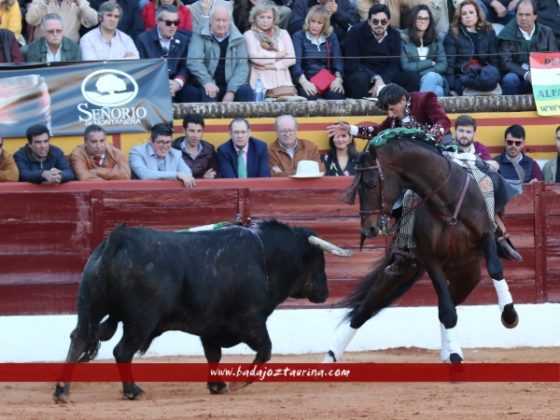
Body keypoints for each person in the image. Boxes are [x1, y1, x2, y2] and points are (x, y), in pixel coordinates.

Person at [327, 83, 452, 274]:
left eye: (392, 109)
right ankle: (402, 249)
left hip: (438, 155)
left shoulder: (426, 99)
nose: (391, 115)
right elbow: (379, 131)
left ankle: (497, 232)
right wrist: (350, 129)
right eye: (388, 111)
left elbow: (443, 122)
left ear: (403, 100)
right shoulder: (394, 117)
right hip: (414, 169)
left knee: (475, 174)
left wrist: (426, 138)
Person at [186, 3, 253, 102]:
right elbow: (194, 62)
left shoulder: (239, 39)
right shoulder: (199, 34)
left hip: (230, 84)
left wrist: (231, 91)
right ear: (210, 20)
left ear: (230, 21)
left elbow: (242, 68)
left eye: (224, 20)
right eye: (217, 20)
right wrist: (207, 81)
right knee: (208, 94)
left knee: (246, 91)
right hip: (207, 82)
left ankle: (242, 118)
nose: (221, 24)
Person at [342, 4, 412, 99]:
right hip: (363, 74)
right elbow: (352, 63)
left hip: (386, 76)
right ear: (369, 21)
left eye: (383, 22)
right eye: (375, 21)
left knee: (412, 78)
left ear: (389, 22)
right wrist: (375, 77)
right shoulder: (355, 32)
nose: (379, 25)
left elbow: (394, 64)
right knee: (360, 78)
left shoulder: (395, 35)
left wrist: (382, 81)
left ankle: (404, 109)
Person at [136, 4, 198, 102]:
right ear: (157, 21)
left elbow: (186, 66)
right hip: (154, 83)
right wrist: (163, 84)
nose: (173, 26)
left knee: (192, 93)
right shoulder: (143, 40)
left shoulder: (184, 39)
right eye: (169, 22)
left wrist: (177, 82)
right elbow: (143, 68)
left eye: (176, 22)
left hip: (176, 83)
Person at [497, 0, 558, 95]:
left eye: (527, 15)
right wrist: (527, 74)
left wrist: (541, 74)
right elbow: (505, 62)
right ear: (515, 15)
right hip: (519, 75)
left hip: (543, 75)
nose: (523, 18)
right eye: (520, 14)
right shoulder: (507, 34)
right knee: (509, 80)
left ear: (535, 16)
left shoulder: (546, 32)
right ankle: (511, 109)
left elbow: (554, 58)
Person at [444, 0, 499, 96]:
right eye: (464, 14)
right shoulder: (453, 33)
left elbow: (494, 59)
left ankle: (479, 82)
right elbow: (450, 63)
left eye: (471, 12)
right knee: (465, 79)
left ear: (477, 14)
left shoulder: (488, 31)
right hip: (463, 73)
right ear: (460, 17)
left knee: (492, 73)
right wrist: (451, 87)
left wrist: (496, 76)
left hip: (485, 73)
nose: (468, 16)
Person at [243, 1, 296, 100]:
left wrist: (271, 66)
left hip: (283, 85)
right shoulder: (249, 35)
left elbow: (291, 59)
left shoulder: (283, 33)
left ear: (274, 19)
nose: (265, 21)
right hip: (260, 86)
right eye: (261, 17)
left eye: (269, 17)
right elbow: (255, 58)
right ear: (254, 18)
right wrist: (278, 55)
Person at [291, 5, 345, 100]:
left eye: (319, 23)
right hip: (306, 79)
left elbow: (338, 60)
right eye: (313, 21)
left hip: (326, 79)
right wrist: (304, 82)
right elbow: (296, 63)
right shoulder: (299, 36)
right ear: (308, 21)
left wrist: (338, 79)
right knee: (308, 95)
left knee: (336, 94)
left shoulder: (331, 37)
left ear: (325, 25)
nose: (315, 25)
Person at [400, 4, 447, 97]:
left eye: (426, 18)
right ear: (413, 19)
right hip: (417, 81)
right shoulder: (404, 38)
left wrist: (423, 74)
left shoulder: (435, 38)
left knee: (430, 76)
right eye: (420, 18)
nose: (423, 21)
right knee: (438, 91)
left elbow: (443, 65)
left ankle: (417, 108)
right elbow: (406, 66)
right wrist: (430, 63)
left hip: (435, 77)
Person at [129, 123, 196, 188]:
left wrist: (179, 175)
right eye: (161, 142)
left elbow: (187, 173)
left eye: (168, 142)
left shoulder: (175, 153)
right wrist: (176, 175)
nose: (165, 146)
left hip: (170, 196)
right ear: (151, 141)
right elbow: (145, 175)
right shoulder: (136, 152)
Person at [494, 124, 544, 191]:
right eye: (510, 142)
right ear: (505, 142)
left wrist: (533, 187)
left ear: (523, 144)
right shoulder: (494, 164)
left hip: (526, 201)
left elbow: (540, 190)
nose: (513, 146)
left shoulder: (532, 165)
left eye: (517, 143)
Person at [288, 0, 359, 43]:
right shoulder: (302, 2)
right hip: (310, 46)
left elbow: (356, 24)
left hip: (339, 44)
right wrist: (319, 13)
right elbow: (294, 27)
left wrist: (338, 12)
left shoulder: (342, 1)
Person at [171, 114, 219, 178]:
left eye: (199, 131)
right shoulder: (173, 149)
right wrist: (202, 179)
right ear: (184, 130)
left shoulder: (209, 149)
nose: (195, 135)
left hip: (204, 187)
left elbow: (215, 175)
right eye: (192, 131)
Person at [25, 0, 97, 42]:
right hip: (43, 47)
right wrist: (44, 2)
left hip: (70, 49)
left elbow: (94, 20)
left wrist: (80, 4)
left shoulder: (80, 2)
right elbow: (30, 20)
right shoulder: (40, 1)